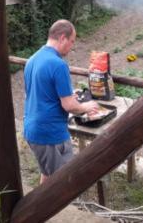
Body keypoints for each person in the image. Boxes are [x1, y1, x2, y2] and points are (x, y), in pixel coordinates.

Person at [23, 19, 99, 184]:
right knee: (63, 183)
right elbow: (69, 105)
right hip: (50, 134)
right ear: (63, 38)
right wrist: (87, 106)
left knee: (48, 175)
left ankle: (40, 209)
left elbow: (42, 91)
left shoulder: (32, 60)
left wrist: (71, 93)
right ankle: (42, 209)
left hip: (32, 129)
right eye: (71, 41)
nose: (71, 47)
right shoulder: (58, 65)